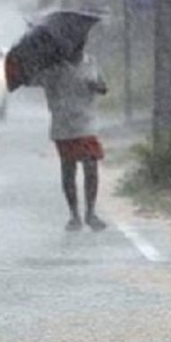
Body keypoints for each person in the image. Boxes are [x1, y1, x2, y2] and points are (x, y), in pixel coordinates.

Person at [32, 45, 109, 231]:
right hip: (63, 125)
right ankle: (74, 214)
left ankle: (90, 213)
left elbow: (103, 87)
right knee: (68, 169)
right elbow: (35, 80)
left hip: (86, 123)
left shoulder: (90, 62)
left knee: (91, 165)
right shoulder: (53, 67)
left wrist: (95, 86)